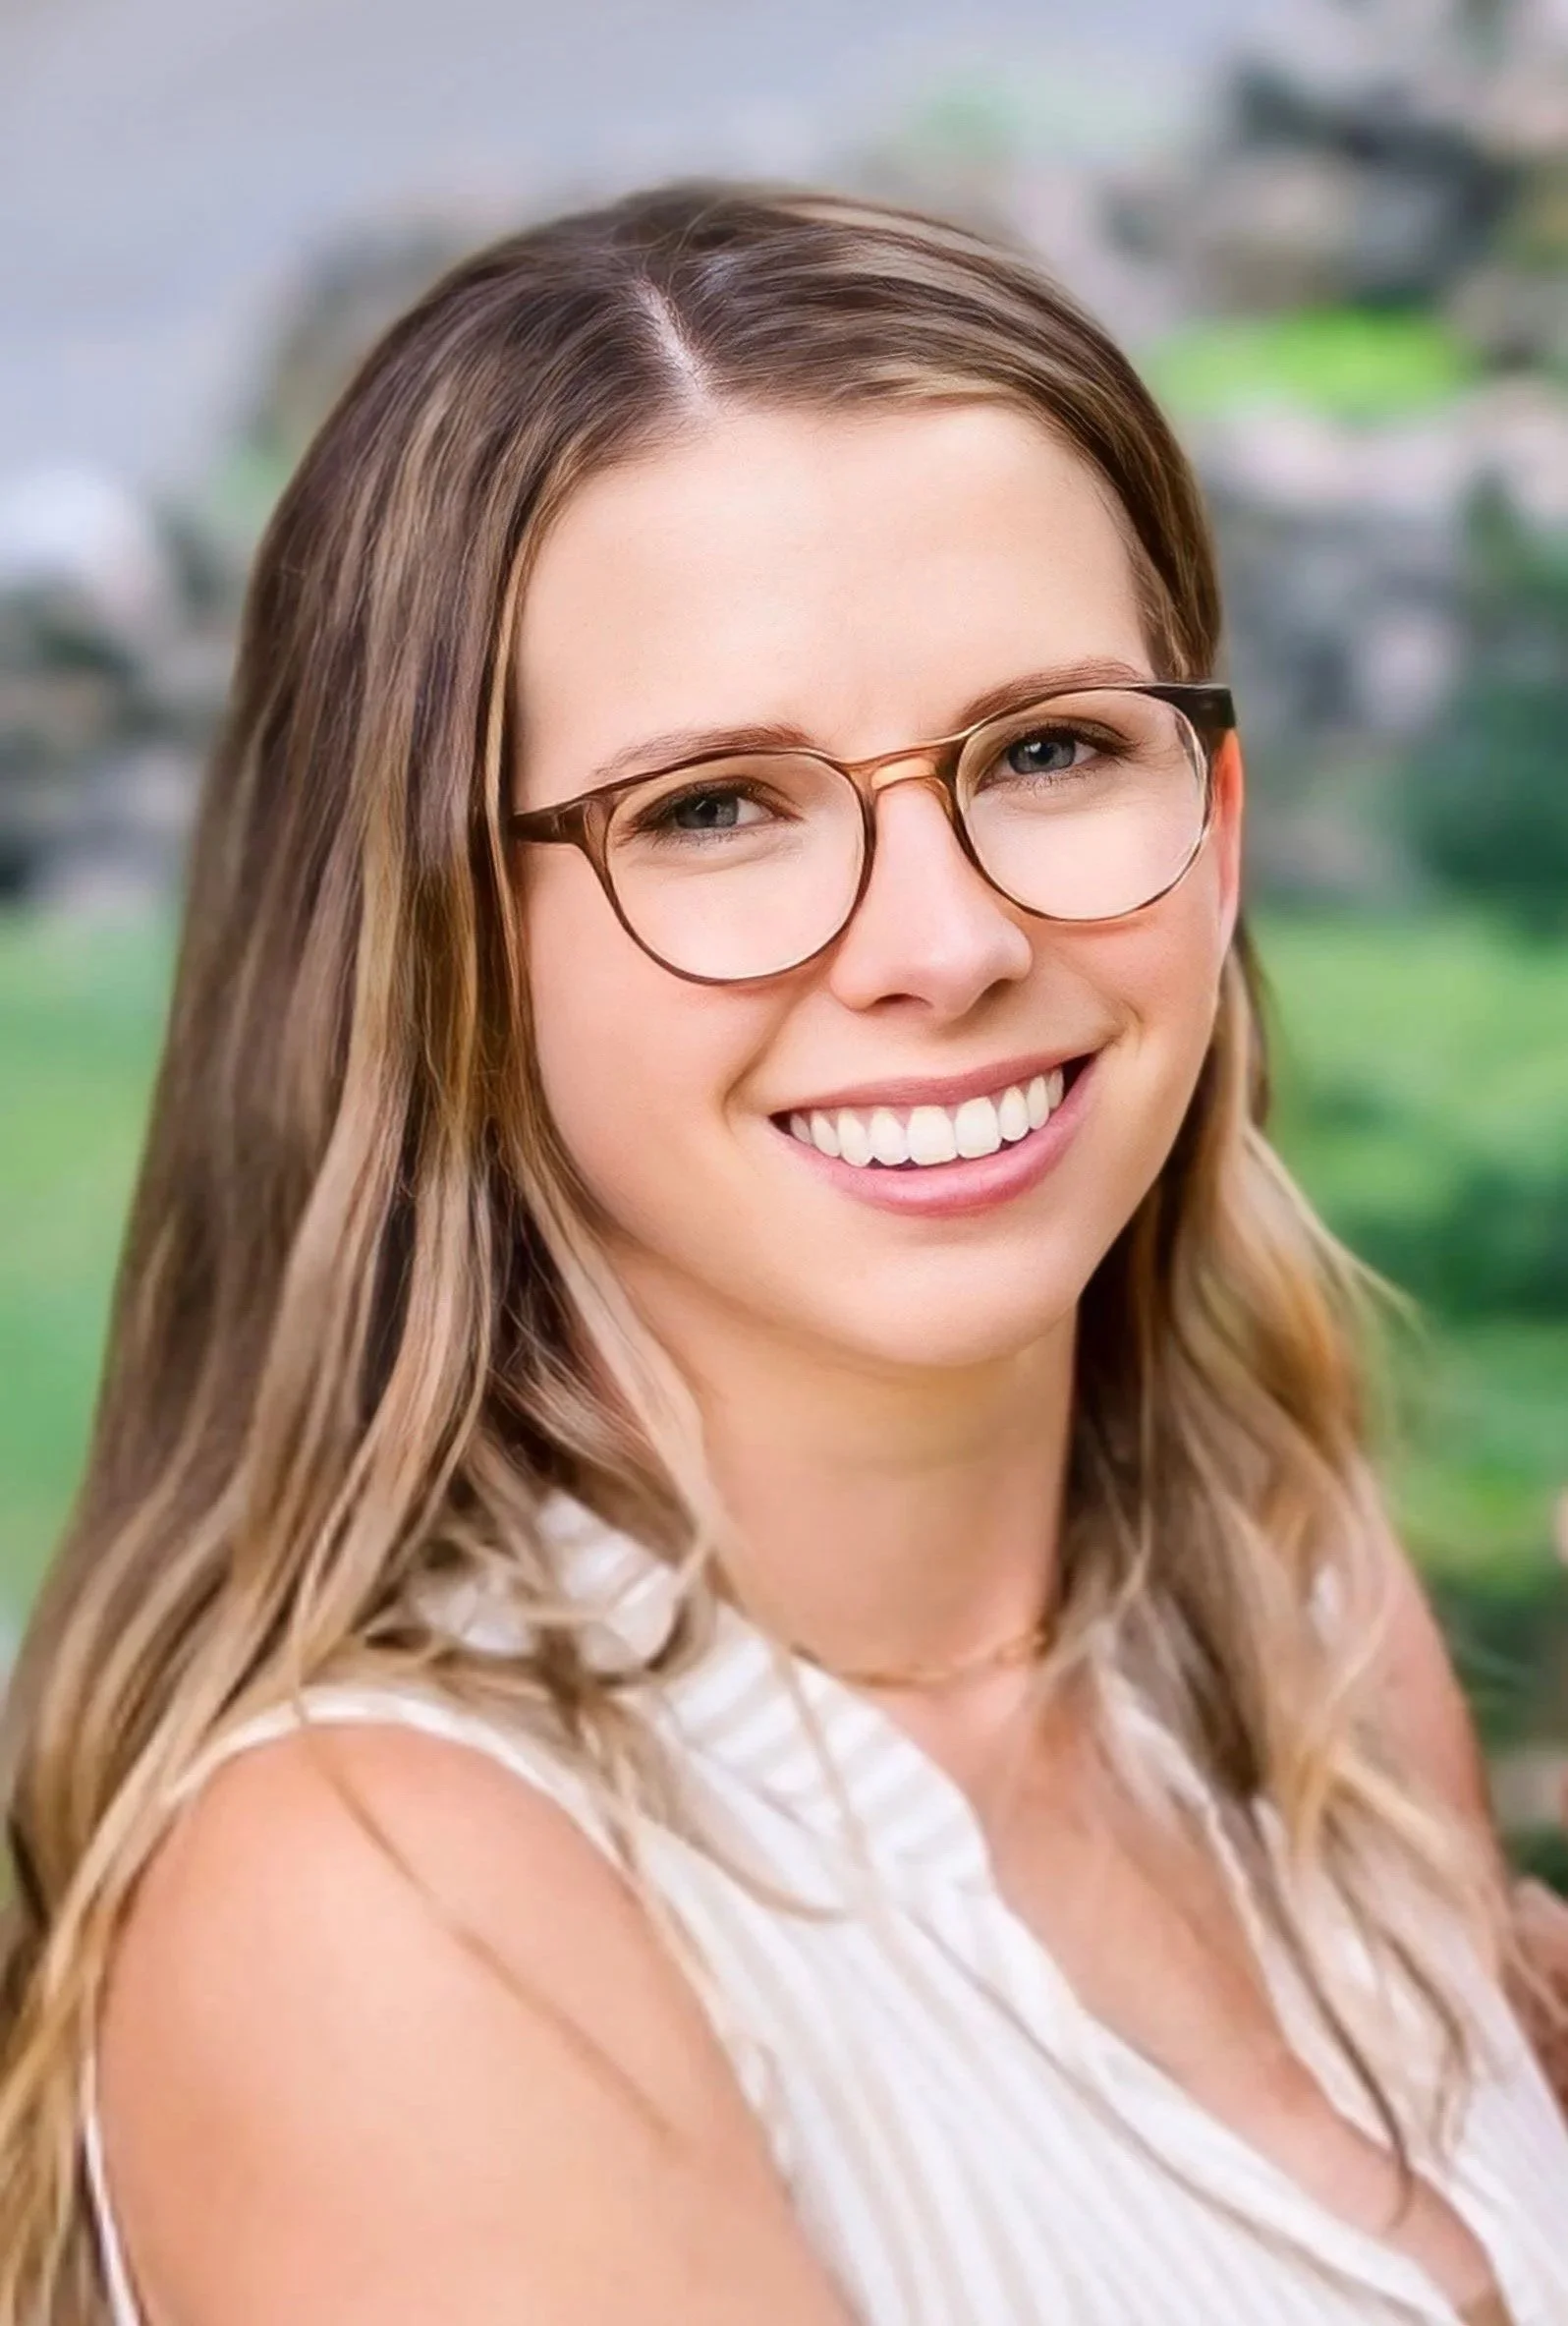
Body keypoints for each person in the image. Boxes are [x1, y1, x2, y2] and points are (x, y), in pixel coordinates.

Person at [0, 182, 1565, 2326]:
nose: (948, 943)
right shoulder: (391, 1910)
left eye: (1048, 750)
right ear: (437, 942)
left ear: (1221, 817)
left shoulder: (1289, 1602)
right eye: (716, 807)